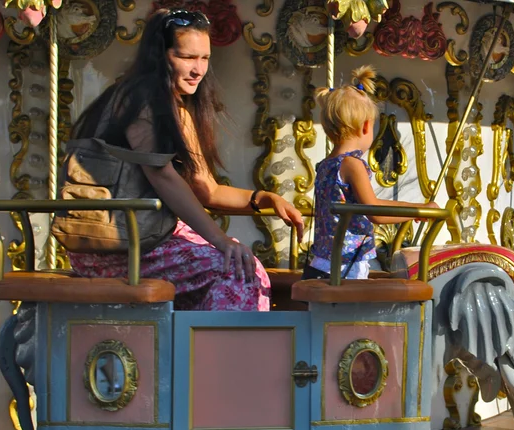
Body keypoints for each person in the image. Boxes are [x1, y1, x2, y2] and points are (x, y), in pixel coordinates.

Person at [66, 8, 304, 311]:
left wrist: (264, 198)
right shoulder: (138, 99)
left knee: (244, 265)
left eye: (204, 58)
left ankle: (192, 349)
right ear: (160, 55)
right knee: (240, 271)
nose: (198, 69)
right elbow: (161, 175)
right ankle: (216, 358)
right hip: (116, 245)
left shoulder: (178, 108)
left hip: (144, 236)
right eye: (187, 57)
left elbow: (207, 189)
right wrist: (221, 240)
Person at [303, 65, 438, 280]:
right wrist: (419, 209)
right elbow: (375, 211)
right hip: (345, 264)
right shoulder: (351, 165)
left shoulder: (325, 165)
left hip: (323, 260)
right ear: (366, 127)